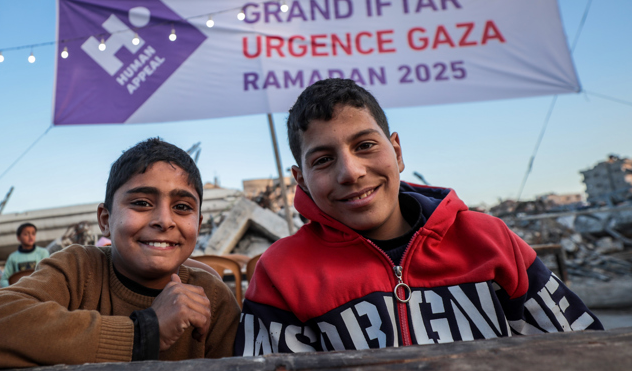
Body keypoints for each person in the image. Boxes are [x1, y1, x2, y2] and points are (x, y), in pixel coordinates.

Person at [236, 79, 602, 356]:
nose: (351, 172)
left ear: (396, 151)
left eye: (365, 146)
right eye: (323, 160)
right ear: (300, 179)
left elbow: (584, 352)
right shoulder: (280, 274)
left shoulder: (489, 239)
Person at [0, 138, 241, 371]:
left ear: (198, 225)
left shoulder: (212, 299)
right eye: (141, 203)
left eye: (182, 207)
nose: (165, 220)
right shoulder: (78, 271)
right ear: (105, 219)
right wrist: (144, 332)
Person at [0, 223, 50, 287]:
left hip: (39, 288)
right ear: (18, 238)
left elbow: (47, 274)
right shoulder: (13, 257)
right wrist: (13, 289)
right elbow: (4, 280)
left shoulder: (43, 253)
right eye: (26, 234)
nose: (31, 237)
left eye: (33, 234)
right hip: (21, 291)